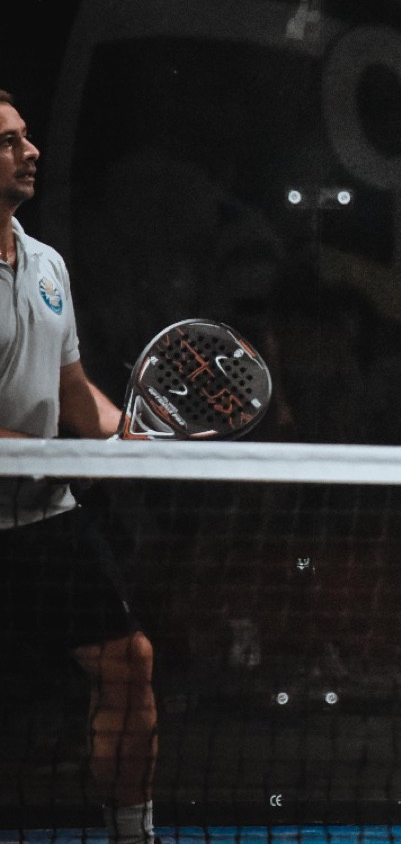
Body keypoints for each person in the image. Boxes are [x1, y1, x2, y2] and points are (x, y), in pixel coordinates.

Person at [0, 89, 159, 844]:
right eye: (8, 141)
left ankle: (132, 835)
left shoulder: (47, 265)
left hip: (45, 520)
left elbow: (71, 392)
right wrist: (60, 457)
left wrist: (122, 432)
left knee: (129, 664)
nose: (30, 151)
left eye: (26, 136)